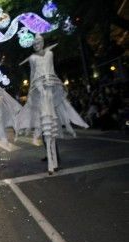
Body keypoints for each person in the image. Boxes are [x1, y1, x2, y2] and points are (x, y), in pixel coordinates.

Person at [18, 34, 88, 174]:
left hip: (51, 89)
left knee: (52, 133)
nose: (36, 43)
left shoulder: (50, 54)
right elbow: (33, 75)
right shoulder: (32, 58)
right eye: (34, 42)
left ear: (42, 42)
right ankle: (51, 164)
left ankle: (54, 162)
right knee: (47, 132)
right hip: (40, 91)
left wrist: (57, 83)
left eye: (38, 41)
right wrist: (34, 89)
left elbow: (52, 70)